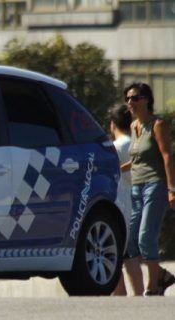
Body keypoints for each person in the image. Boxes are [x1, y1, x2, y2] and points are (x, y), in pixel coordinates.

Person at [123, 82, 175, 296]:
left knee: (146, 236)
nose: (130, 103)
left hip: (155, 185)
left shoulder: (157, 124)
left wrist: (171, 188)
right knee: (132, 241)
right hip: (136, 186)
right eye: (127, 99)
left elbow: (166, 156)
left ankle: (152, 287)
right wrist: (115, 169)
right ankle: (161, 275)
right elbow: (135, 161)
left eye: (134, 98)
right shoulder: (134, 126)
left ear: (146, 100)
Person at [108, 105, 135, 296]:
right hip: (136, 203)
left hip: (120, 205)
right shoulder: (136, 142)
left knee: (116, 254)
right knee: (131, 255)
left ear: (112, 124)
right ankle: (141, 291)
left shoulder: (115, 148)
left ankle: (119, 295)